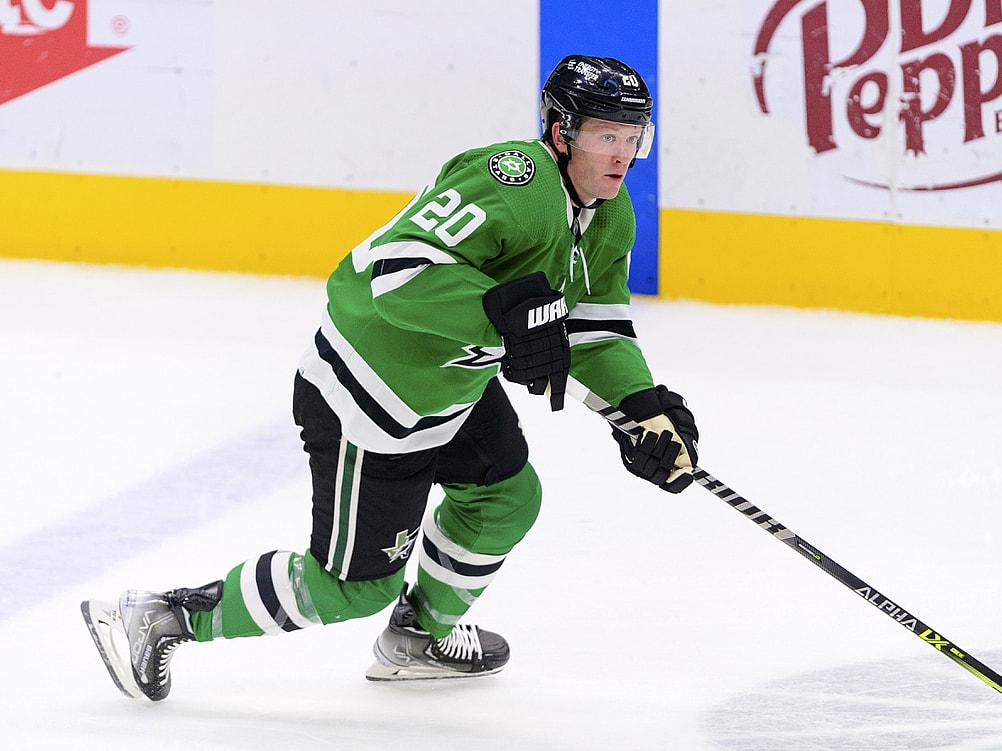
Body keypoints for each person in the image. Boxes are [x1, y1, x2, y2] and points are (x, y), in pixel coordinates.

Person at [80, 54, 699, 700]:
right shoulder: (515, 181)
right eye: (606, 135)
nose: (622, 154)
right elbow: (398, 275)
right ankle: (163, 616)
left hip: (452, 384)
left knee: (506, 498)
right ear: (560, 131)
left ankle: (416, 638)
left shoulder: (611, 216)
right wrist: (502, 318)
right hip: (371, 395)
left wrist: (642, 409)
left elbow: (595, 330)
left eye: (633, 137)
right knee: (352, 589)